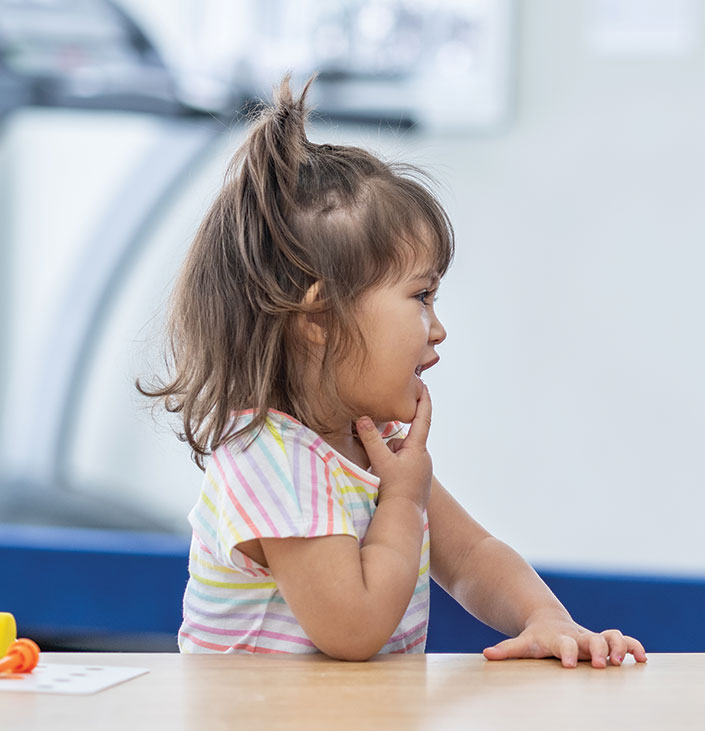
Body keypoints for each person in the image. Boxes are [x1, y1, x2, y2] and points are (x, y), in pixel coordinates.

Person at [139, 78, 646, 666]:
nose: (438, 328)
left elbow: (475, 556)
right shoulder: (269, 457)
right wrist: (403, 502)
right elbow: (353, 629)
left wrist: (547, 619)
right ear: (320, 317)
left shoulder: (370, 448)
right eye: (421, 297)